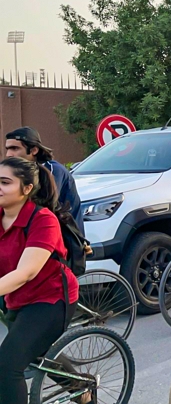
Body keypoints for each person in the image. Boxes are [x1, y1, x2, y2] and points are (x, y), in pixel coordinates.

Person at [0, 157, 80, 404]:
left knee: (7, 366)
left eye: (4, 182)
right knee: (37, 352)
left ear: (26, 189)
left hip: (51, 299)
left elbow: (26, 272)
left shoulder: (43, 220)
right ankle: (83, 390)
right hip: (15, 298)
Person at [5, 127, 83, 234]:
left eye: (15, 148)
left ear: (34, 150)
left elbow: (43, 202)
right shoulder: (21, 172)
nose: (9, 154)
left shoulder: (52, 170)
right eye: (8, 149)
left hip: (65, 238)